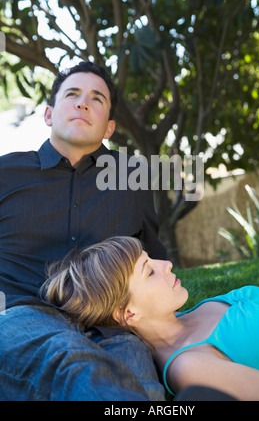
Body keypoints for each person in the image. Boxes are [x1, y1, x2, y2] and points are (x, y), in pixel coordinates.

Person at [0, 61, 167, 401]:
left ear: (109, 127)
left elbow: (154, 259)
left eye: (97, 98)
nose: (82, 103)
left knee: (144, 386)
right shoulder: (6, 173)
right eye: (72, 94)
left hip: (111, 324)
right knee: (73, 361)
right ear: (48, 114)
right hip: (23, 315)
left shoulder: (133, 180)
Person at [41, 236, 259, 402]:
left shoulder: (192, 313)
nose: (166, 264)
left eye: (152, 259)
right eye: (149, 271)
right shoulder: (191, 366)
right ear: (128, 314)